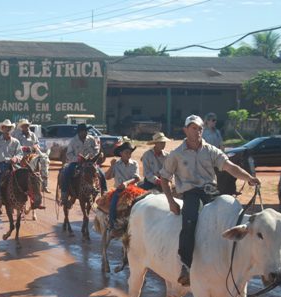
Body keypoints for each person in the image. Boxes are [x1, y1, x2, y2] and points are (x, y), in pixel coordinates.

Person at [159, 115, 260, 286]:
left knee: (230, 214)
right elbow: (164, 178)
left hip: (211, 192)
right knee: (190, 219)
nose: (197, 131)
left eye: (199, 128)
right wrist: (171, 202)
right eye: (193, 128)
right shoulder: (176, 154)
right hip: (191, 194)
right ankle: (185, 264)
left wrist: (249, 178)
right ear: (185, 130)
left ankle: (232, 260)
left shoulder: (211, 150)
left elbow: (230, 167)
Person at [61, 123, 107, 203]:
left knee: (101, 173)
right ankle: (64, 193)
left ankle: (104, 192)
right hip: (77, 163)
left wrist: (93, 156)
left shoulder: (91, 139)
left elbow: (97, 149)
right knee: (66, 172)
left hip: (90, 162)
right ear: (79, 132)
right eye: (82, 131)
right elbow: (69, 154)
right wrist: (77, 159)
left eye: (85, 131)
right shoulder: (73, 141)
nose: (84, 133)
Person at [105, 140, 141, 230]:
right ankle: (112, 225)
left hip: (133, 189)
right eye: (126, 152)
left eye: (130, 153)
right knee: (113, 205)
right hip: (119, 190)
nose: (129, 155)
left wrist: (126, 183)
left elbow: (137, 178)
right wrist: (112, 166)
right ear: (121, 153)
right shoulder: (116, 164)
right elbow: (107, 177)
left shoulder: (134, 163)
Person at [0, 119, 23, 207]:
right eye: (5, 127)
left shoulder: (16, 142)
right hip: (0, 165)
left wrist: (16, 158)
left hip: (13, 165)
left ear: (11, 129)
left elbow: (20, 153)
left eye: (9, 128)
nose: (7, 129)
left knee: (25, 177)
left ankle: (23, 199)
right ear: (2, 128)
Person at [13, 118, 50, 193]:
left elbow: (37, 143)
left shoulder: (32, 135)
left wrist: (36, 146)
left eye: (27, 126)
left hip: (32, 154)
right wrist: (25, 148)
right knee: (17, 167)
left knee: (44, 162)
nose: (26, 127)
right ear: (21, 127)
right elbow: (15, 146)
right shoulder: (17, 135)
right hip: (21, 155)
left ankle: (44, 185)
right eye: (24, 126)